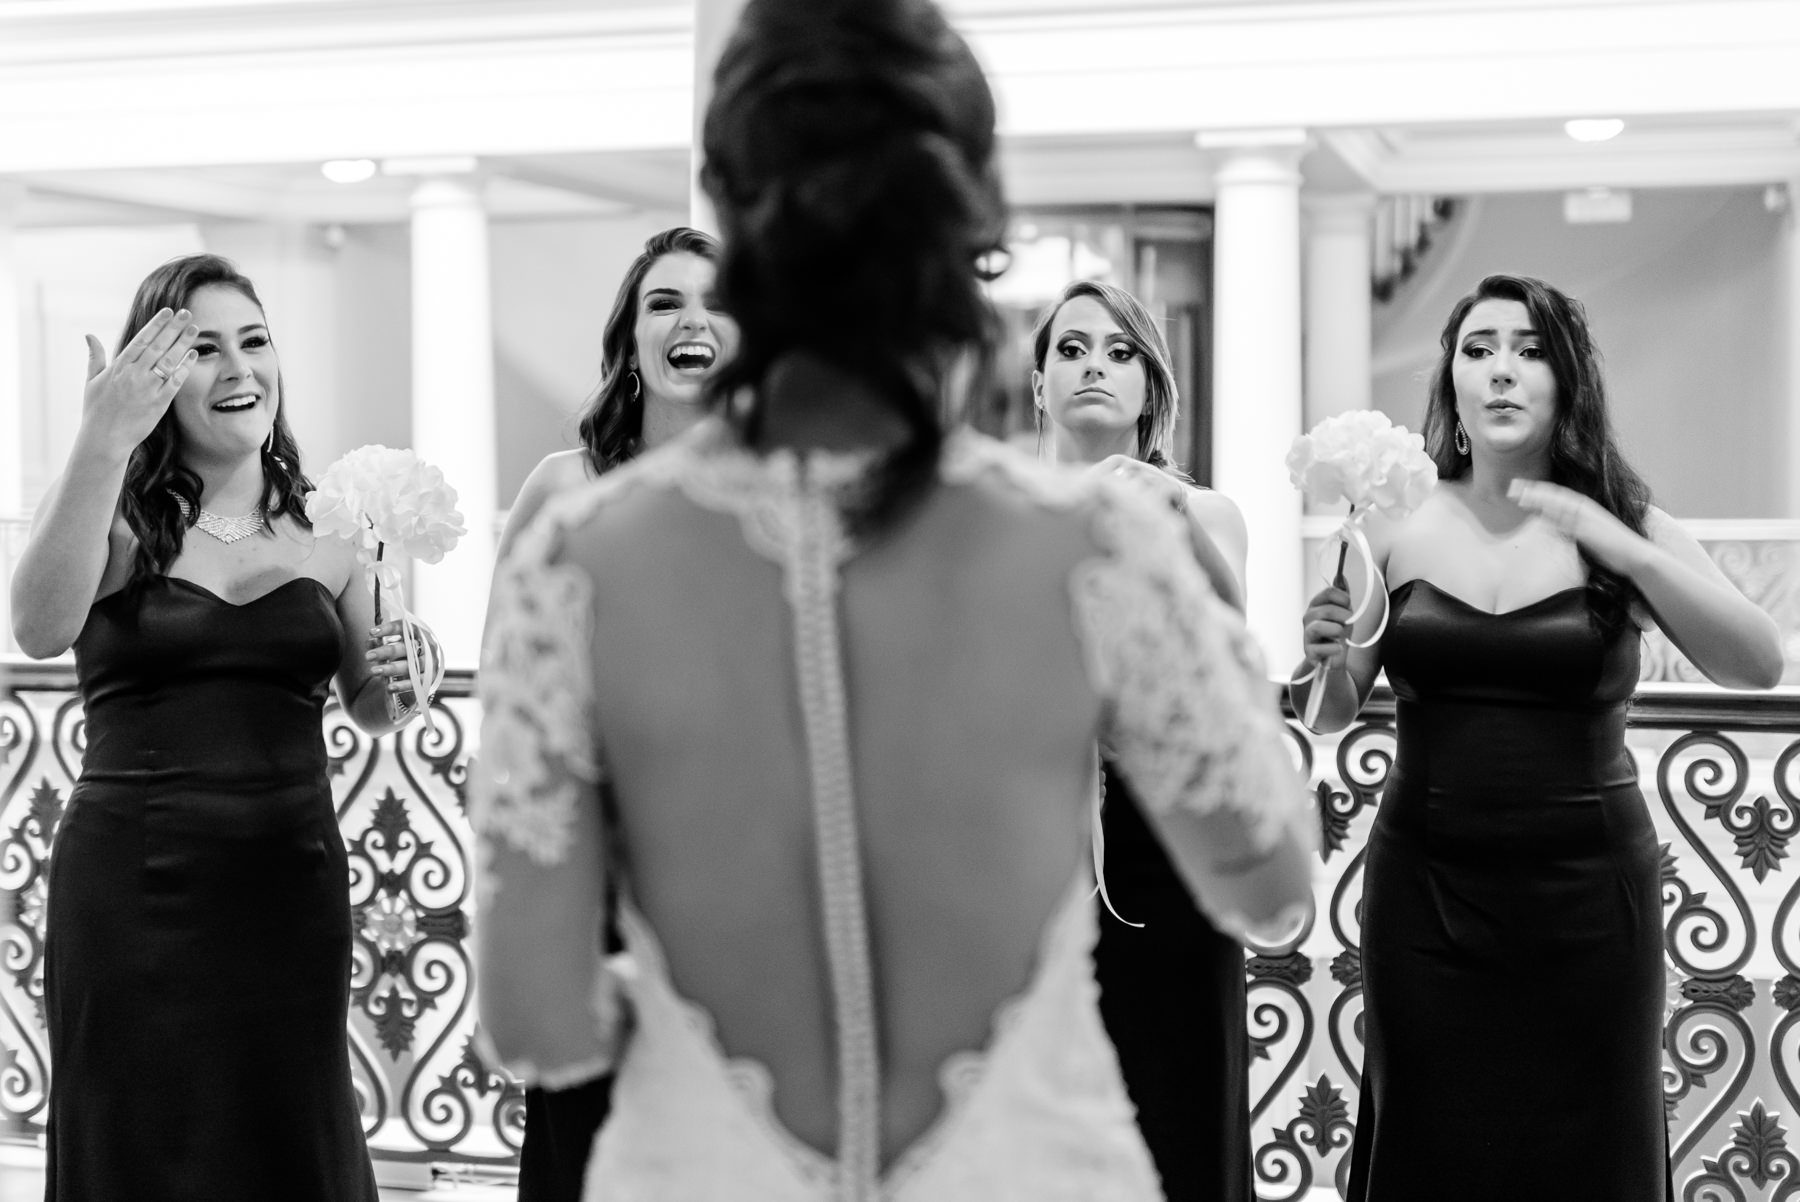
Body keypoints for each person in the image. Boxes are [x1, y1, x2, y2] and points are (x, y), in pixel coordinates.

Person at [470, 0, 1317, 1198]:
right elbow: (1272, 889)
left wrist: (684, 1019)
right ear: (971, 223)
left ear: (736, 214)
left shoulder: (579, 557)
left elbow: (535, 1022)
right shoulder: (1097, 543)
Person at [1292, 273, 1783, 1201]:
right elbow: (1330, 709)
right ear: (1452, 381)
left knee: (1589, 1155)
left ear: (1568, 380)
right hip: (1424, 898)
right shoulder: (1391, 523)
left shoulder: (1625, 523)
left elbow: (1757, 663)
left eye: (1529, 351)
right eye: (1478, 350)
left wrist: (1623, 549)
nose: (1502, 371)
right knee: (1432, 1145)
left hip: (1590, 904)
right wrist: (1317, 655)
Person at [9, 253, 419, 1200]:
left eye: (254, 341)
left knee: (290, 1139)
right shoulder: (113, 513)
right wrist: (100, 440)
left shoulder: (335, 525)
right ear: (154, 376)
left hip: (289, 886)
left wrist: (411, 678)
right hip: (133, 889)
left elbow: (371, 700)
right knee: (139, 1142)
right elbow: (37, 627)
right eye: (203, 349)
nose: (239, 368)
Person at [493, 225, 738, 1202]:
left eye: (716, 302)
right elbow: (509, 695)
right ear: (631, 340)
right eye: (664, 303)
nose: (691, 322)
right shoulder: (564, 486)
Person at [1032, 277, 1256, 1200]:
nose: (1095, 366)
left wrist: (1171, 518)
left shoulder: (1205, 513)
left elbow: (1236, 659)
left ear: (1150, 389)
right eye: (1072, 348)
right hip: (1031, 854)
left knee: (1178, 1116)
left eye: (1120, 352)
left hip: (1164, 852)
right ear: (1039, 382)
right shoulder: (996, 517)